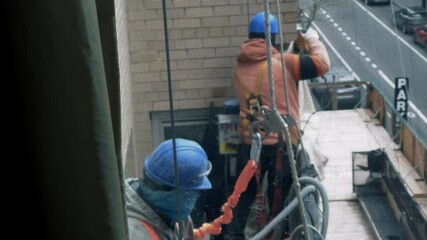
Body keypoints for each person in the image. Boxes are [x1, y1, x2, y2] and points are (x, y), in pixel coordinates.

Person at [224, 11, 330, 239]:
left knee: (243, 198)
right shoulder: (284, 63)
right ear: (272, 38)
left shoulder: (238, 67)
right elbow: (322, 65)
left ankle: (232, 236)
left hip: (249, 145)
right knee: (279, 202)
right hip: (280, 147)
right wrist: (312, 39)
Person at [125, 138, 212, 240]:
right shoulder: (133, 233)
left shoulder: (174, 213)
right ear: (170, 193)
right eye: (192, 192)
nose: (195, 197)